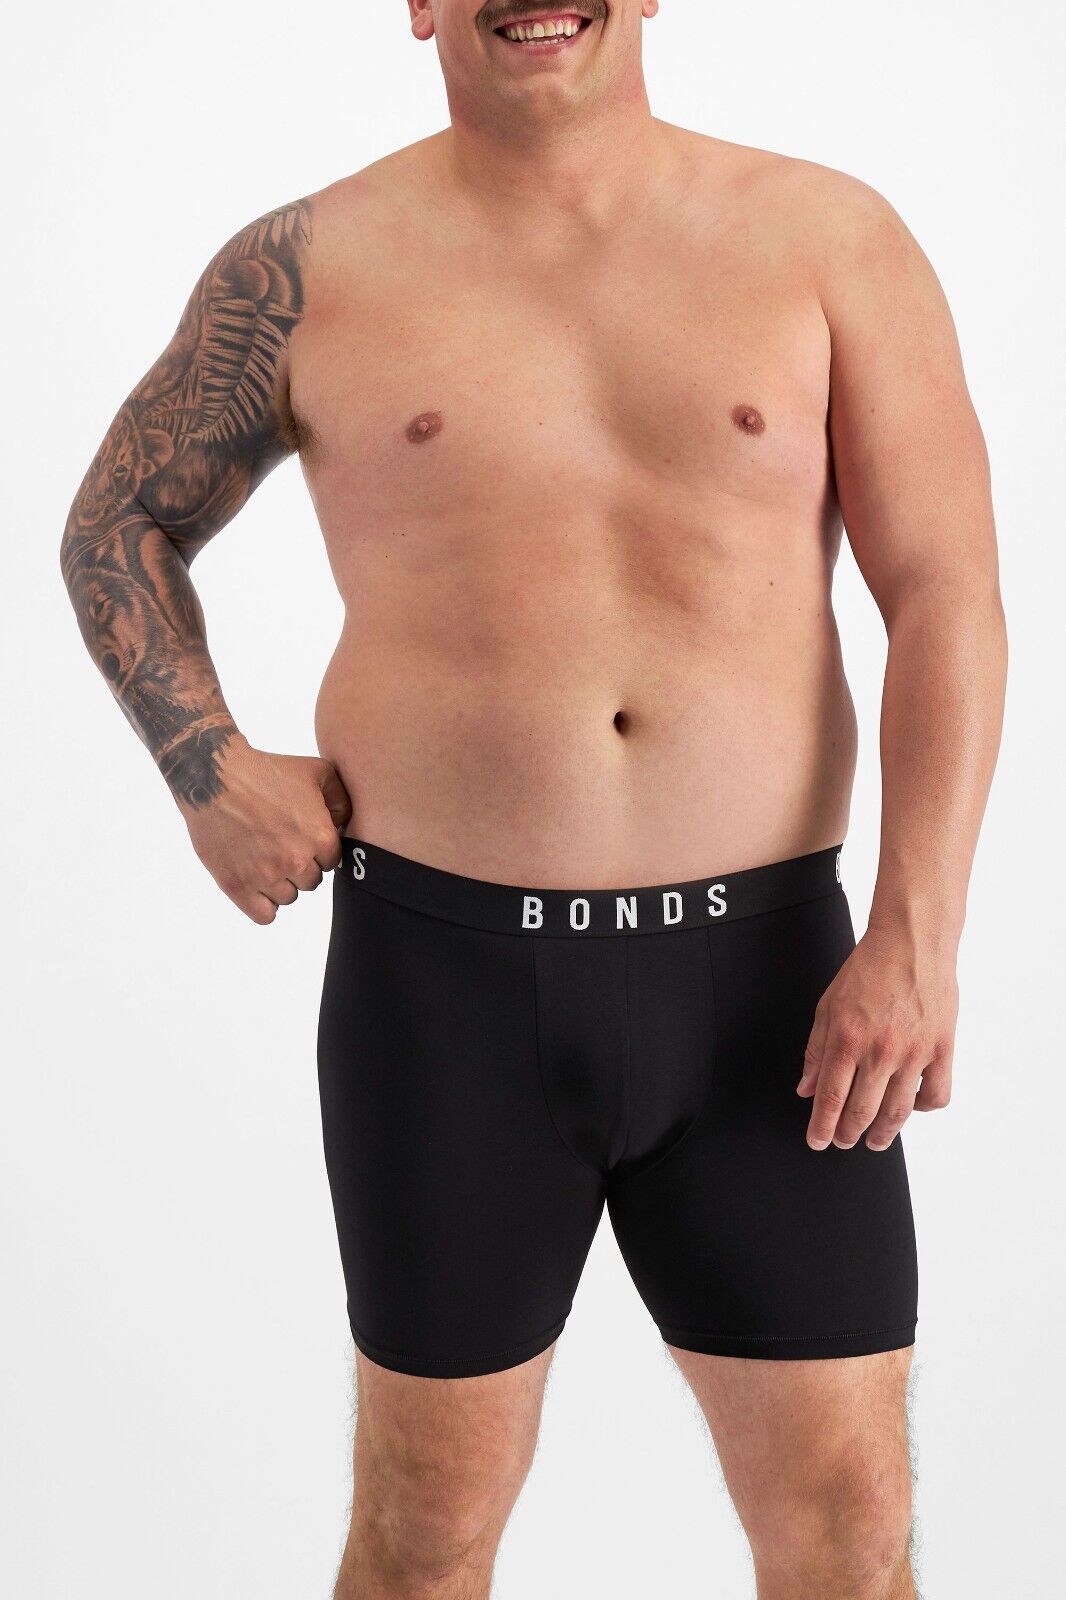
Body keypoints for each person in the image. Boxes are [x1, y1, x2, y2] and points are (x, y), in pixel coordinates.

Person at [60, 3, 1007, 1596]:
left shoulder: (826, 238)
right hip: (447, 990)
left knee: (847, 1524)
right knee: (425, 1530)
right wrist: (203, 764)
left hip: (773, 991)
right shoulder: (308, 265)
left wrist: (915, 939)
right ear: (418, 4)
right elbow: (117, 524)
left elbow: (946, 595)